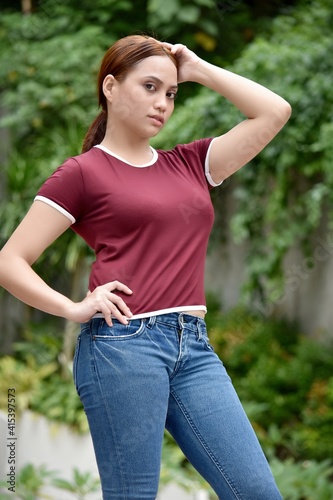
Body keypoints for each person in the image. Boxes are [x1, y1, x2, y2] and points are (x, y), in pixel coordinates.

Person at [0, 35, 291, 499]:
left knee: (256, 491)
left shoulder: (191, 163)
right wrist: (75, 307)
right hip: (123, 347)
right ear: (111, 87)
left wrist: (196, 68)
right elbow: (10, 261)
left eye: (172, 93)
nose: (163, 103)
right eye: (150, 87)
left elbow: (274, 112)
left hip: (194, 349)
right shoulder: (83, 173)